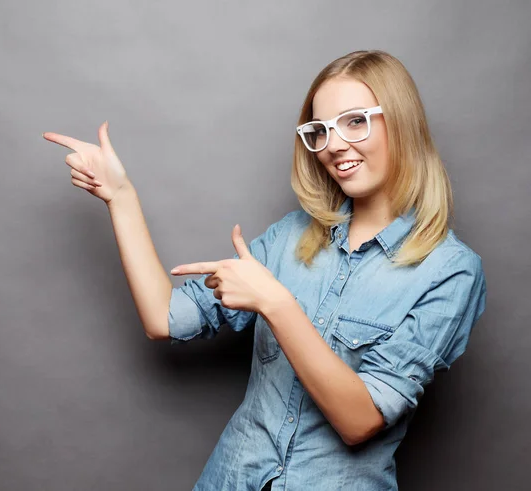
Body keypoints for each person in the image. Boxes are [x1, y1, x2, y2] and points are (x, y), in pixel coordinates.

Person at [43, 49, 487, 491]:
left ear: (402, 122)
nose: (333, 145)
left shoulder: (451, 271)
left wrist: (276, 303)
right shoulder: (290, 237)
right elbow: (165, 318)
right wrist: (120, 197)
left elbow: (359, 420)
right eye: (320, 130)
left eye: (355, 121)